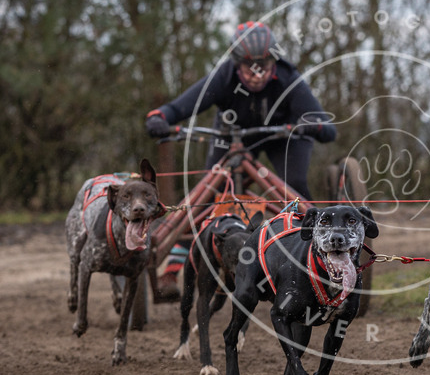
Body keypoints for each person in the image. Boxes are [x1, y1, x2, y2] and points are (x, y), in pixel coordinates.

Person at [144, 21, 337, 300]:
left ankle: (312, 261)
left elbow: (328, 129)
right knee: (207, 197)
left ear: (274, 60)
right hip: (230, 134)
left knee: (293, 186)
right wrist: (159, 117)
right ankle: (172, 269)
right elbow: (181, 107)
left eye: (264, 65)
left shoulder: (288, 79)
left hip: (283, 135)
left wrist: (312, 126)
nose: (257, 73)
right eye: (249, 66)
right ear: (236, 64)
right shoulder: (223, 78)